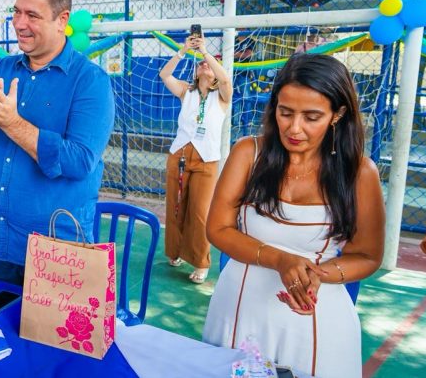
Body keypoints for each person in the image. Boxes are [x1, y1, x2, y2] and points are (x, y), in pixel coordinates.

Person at [202, 53, 385, 377]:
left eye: (312, 116)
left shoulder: (359, 173)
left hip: (316, 318)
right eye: (285, 113)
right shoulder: (249, 153)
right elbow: (218, 229)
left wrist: (318, 275)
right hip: (239, 307)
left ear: (338, 114)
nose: (294, 127)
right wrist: (280, 260)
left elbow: (367, 255)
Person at [0, 0, 115, 286]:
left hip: (59, 249)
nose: (19, 23)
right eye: (16, 11)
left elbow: (79, 161)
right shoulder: (3, 68)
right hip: (3, 242)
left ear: (62, 19)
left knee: (50, 336)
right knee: (2, 331)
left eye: (32, 15)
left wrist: (11, 121)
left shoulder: (90, 81)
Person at [159, 34, 232, 284]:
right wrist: (182, 51)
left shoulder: (222, 96)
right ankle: (175, 252)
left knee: (200, 212)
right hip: (179, 155)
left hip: (206, 160)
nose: (204, 66)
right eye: (200, 64)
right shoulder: (186, 92)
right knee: (176, 206)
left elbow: (224, 78)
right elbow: (164, 75)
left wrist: (205, 54)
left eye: (209, 65)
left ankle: (201, 262)